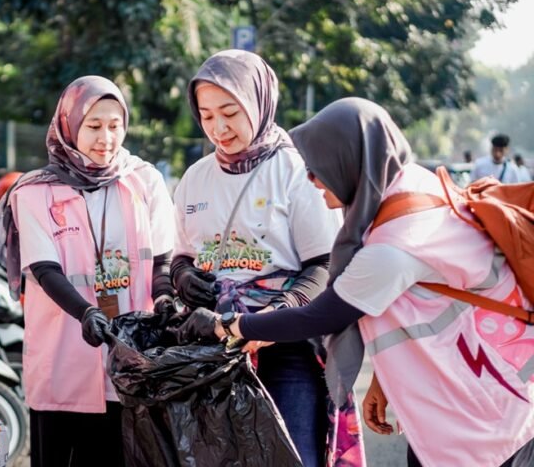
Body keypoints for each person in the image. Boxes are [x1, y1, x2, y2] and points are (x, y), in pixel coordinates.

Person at [176, 97, 534, 467]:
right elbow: (424, 301)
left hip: (481, 418)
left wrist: (225, 325)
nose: (312, 181)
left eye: (318, 169)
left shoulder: (395, 244)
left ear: (350, 162)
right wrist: (385, 377)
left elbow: (320, 316)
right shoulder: (409, 185)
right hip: (472, 391)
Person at [171, 50, 361, 467]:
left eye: (230, 112)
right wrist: (184, 276)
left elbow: (324, 265)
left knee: (292, 458)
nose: (218, 128)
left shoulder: (296, 171)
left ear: (259, 104)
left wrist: (280, 311)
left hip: (285, 347)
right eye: (206, 116)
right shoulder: (195, 177)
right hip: (213, 349)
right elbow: (181, 254)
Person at [0, 75, 175, 467]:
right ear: (70, 125)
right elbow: (43, 267)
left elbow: (162, 258)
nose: (105, 138)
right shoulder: (34, 191)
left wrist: (164, 296)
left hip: (129, 364)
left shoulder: (145, 181)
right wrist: (86, 312)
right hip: (62, 362)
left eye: (115, 126)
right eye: (93, 126)